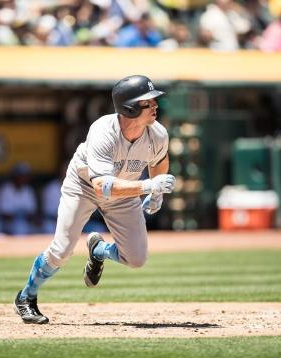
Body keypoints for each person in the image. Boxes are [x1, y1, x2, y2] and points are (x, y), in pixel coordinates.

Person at [13, 75, 175, 324]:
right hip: (84, 186)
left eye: (154, 100)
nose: (155, 105)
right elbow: (103, 187)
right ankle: (26, 297)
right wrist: (147, 186)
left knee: (136, 259)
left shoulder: (158, 134)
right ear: (129, 107)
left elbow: (160, 161)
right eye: (148, 102)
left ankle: (99, 251)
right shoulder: (103, 130)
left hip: (126, 190)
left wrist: (157, 192)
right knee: (61, 250)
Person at [0, 162, 38, 236]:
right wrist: (19, 215)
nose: (24, 178)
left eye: (25, 176)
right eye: (21, 175)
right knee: (19, 228)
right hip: (6, 223)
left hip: (23, 222)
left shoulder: (28, 190)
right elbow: (4, 214)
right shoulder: (5, 189)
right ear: (15, 176)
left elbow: (31, 213)